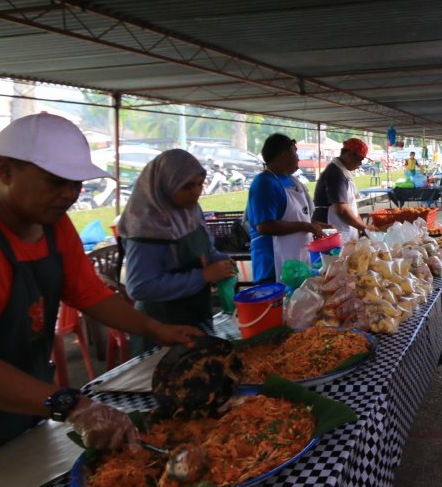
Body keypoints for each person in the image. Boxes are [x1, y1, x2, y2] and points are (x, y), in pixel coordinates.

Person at [0, 113, 201, 487]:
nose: (68, 193)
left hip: (18, 417)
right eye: (55, 181)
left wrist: (155, 329)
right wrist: (73, 405)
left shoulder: (53, 225)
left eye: (76, 183)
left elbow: (90, 295)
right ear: (5, 169)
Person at [120, 149, 236, 353]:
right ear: (165, 185)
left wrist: (222, 262)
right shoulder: (147, 225)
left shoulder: (191, 211)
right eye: (187, 187)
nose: (196, 192)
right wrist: (203, 276)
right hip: (161, 328)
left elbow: (206, 249)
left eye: (200, 184)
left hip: (197, 316)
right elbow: (140, 287)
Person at [248, 134, 326, 284]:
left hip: (297, 260)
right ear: (284, 155)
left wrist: (316, 226)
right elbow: (264, 226)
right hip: (274, 265)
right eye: (295, 152)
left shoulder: (292, 181)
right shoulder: (265, 183)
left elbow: (297, 216)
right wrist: (306, 226)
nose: (298, 158)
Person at [313, 138, 373, 244]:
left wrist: (361, 228)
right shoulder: (335, 173)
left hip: (345, 228)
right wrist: (364, 227)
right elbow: (341, 210)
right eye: (360, 159)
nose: (360, 163)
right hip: (331, 226)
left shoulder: (344, 172)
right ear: (350, 155)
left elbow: (351, 206)